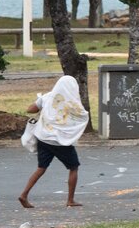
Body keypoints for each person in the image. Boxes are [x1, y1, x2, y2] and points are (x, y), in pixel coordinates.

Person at [18, 76, 89, 209]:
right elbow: (81, 116)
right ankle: (70, 200)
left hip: (43, 138)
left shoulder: (47, 97)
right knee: (73, 167)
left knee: (41, 168)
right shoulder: (72, 102)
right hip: (60, 142)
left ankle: (24, 195)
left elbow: (30, 109)